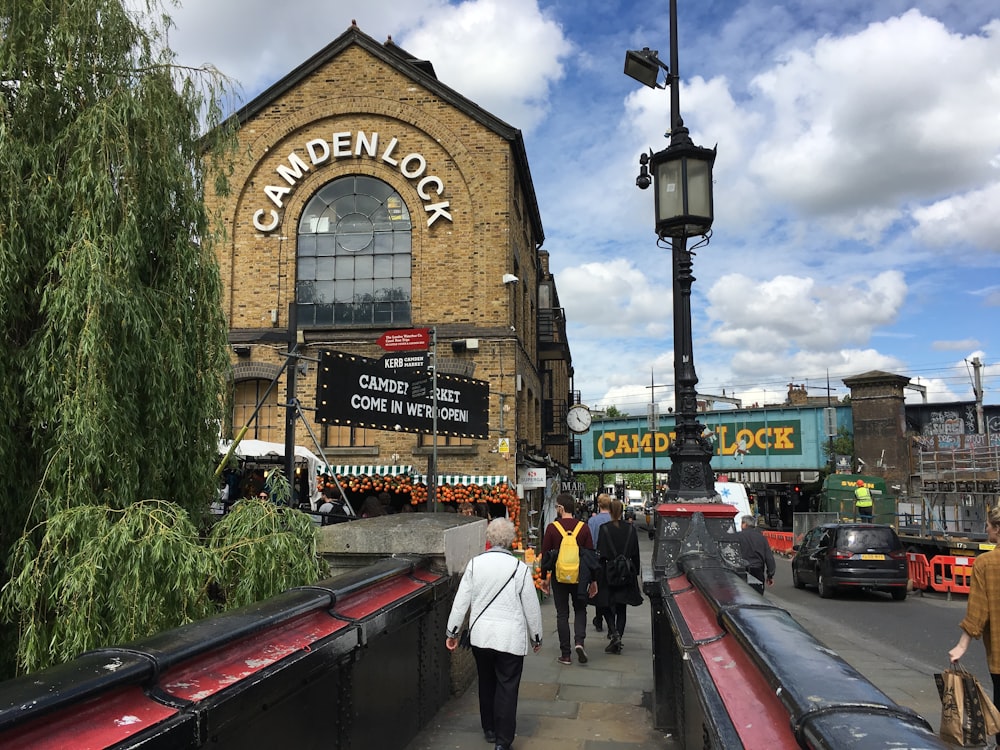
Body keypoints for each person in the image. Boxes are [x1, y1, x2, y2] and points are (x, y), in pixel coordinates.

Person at [446, 518, 542, 750]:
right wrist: (536, 636)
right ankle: (503, 740)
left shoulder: (475, 564)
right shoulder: (519, 568)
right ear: (510, 540)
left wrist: (453, 631)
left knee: (486, 682)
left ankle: (488, 728)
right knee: (507, 687)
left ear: (489, 538)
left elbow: (461, 601)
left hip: (482, 636)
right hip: (510, 637)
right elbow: (531, 605)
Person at [949, 505, 1000, 742]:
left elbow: (979, 610)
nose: (987, 529)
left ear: (997, 530)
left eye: (988, 525)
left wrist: (962, 644)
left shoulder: (986, 563)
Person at [539, 493, 596, 665]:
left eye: (557, 506)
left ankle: (565, 654)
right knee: (580, 610)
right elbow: (590, 557)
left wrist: (544, 578)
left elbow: (545, 556)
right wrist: (593, 581)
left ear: (561, 508)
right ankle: (579, 642)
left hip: (559, 577)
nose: (556, 509)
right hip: (580, 578)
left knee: (562, 614)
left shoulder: (552, 528)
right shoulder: (583, 528)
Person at [595, 500, 643, 654]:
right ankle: (618, 636)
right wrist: (635, 571)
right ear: (622, 511)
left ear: (609, 511)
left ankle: (614, 633)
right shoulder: (630, 529)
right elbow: (635, 552)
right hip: (626, 572)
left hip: (608, 571)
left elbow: (600, 552)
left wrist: (597, 574)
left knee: (605, 604)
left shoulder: (604, 529)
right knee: (622, 607)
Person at [587, 494, 614, 633]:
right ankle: (612, 624)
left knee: (598, 590)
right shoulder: (614, 520)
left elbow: (590, 542)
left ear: (598, 504)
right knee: (610, 591)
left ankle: (599, 620)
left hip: (597, 558)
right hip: (612, 560)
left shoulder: (593, 521)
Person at [737, 515, 776, 594]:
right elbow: (769, 558)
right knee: (758, 597)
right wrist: (770, 575)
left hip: (741, 571)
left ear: (744, 524)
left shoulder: (738, 536)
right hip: (758, 571)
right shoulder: (761, 538)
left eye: (741, 523)